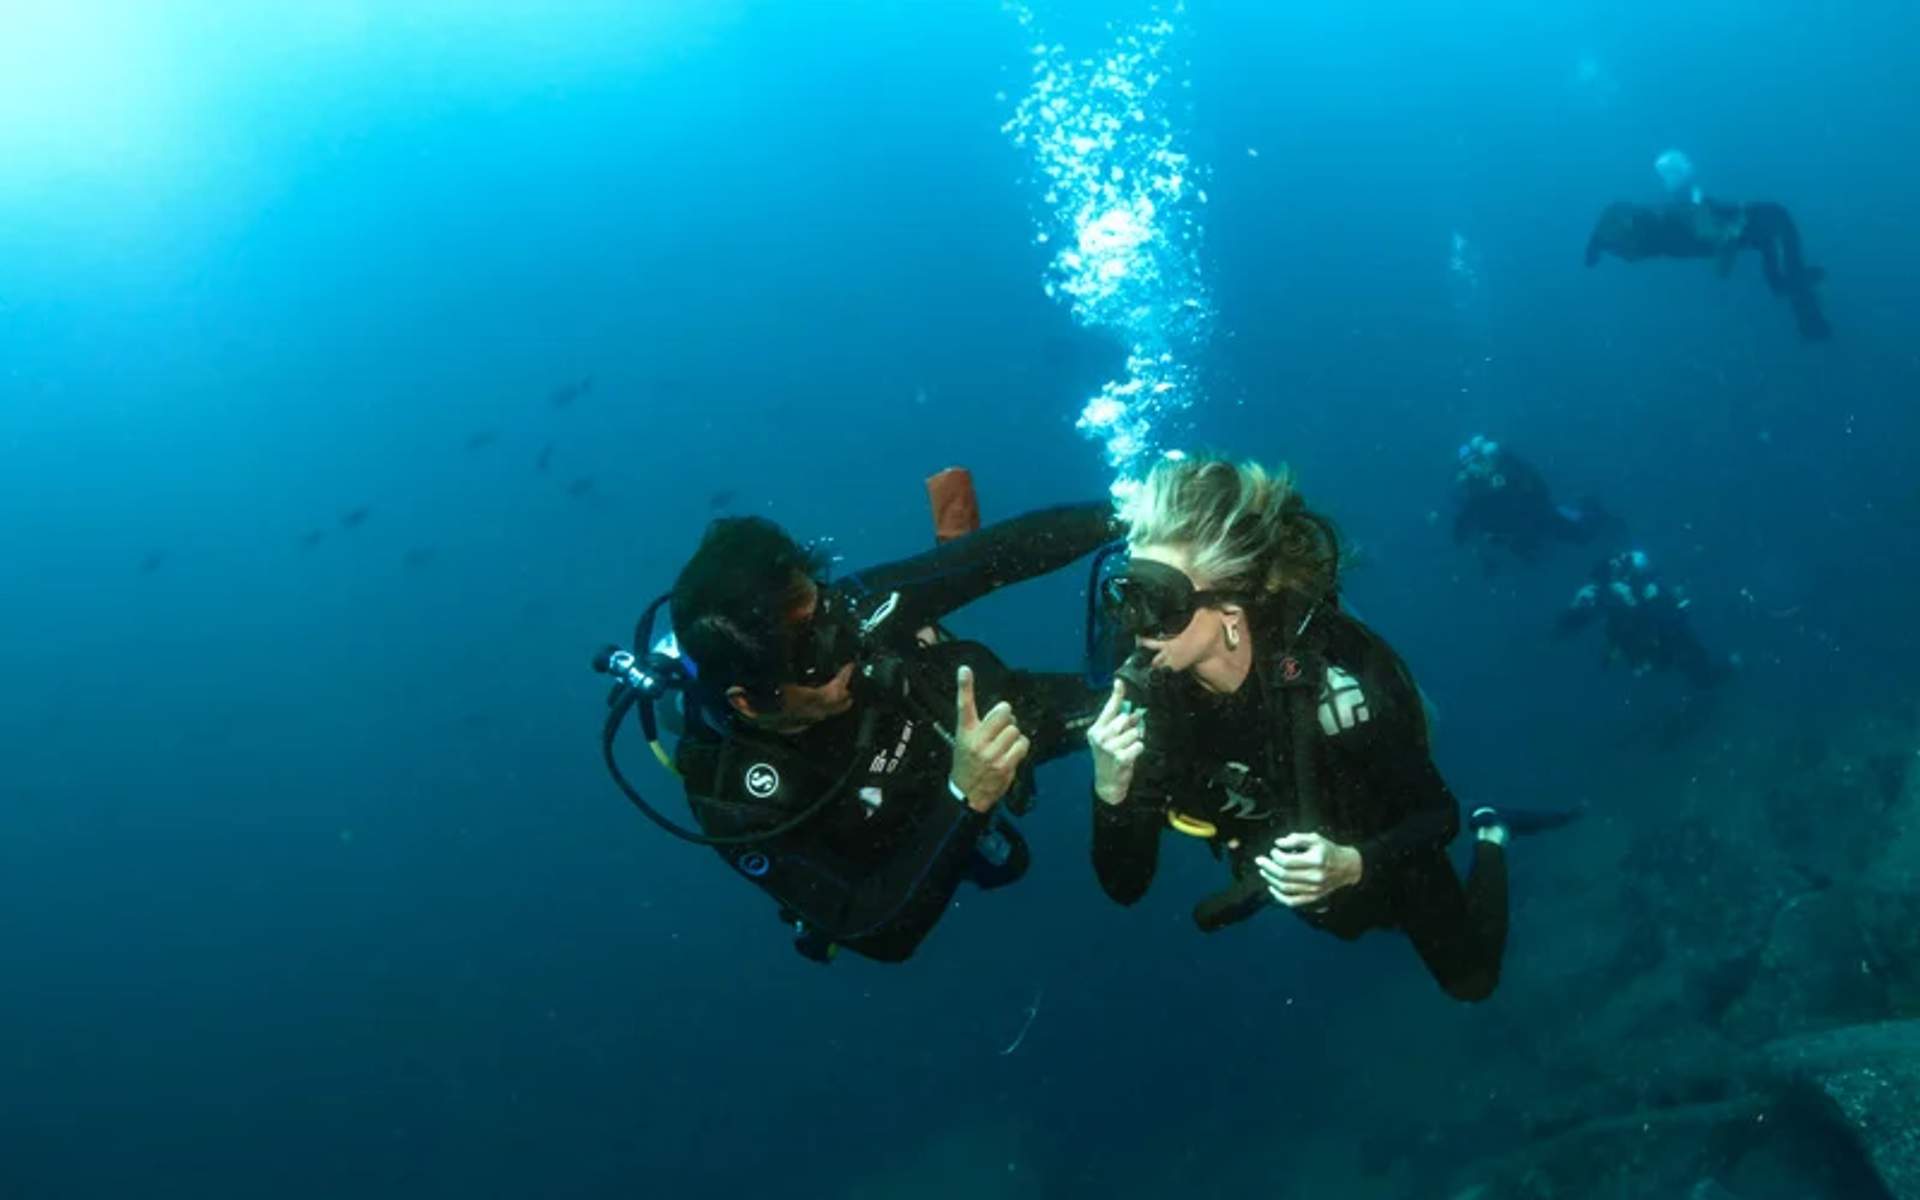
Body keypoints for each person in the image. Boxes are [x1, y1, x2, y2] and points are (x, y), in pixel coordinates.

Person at [1084, 453, 1571, 1002]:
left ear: (1230, 609)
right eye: (1128, 595)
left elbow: (1436, 814)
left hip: (1388, 841)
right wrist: (1111, 789)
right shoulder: (1153, 705)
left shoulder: (1336, 671)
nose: (1136, 627)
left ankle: (1496, 831)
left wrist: (1356, 863)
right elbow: (1124, 885)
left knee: (1472, 980)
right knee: (1354, 922)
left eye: (1161, 601)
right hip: (1298, 869)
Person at [667, 497, 1115, 964]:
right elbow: (875, 930)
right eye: (813, 656)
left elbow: (986, 557)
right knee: (1000, 863)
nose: (844, 649)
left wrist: (1123, 514)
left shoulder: (845, 610)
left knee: (1142, 702)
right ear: (750, 701)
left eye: (826, 612)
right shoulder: (735, 800)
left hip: (961, 727)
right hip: (908, 830)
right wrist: (965, 799)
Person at [1583, 156, 1831, 341]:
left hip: (1735, 225)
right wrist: (1729, 233)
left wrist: (1728, 232)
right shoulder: (1667, 222)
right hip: (1737, 225)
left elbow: (1715, 247)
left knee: (1770, 234)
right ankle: (1793, 297)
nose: (1627, 256)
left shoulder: (1665, 224)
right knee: (1772, 229)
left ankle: (1792, 295)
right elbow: (1717, 254)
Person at [1555, 549, 1732, 690]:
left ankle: (1706, 677)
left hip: (1654, 635)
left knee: (1684, 657)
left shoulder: (1614, 589)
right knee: (1686, 656)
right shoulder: (1613, 589)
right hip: (1654, 634)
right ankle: (1709, 677)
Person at [1451, 434, 1617, 568]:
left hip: (1540, 517)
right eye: (1468, 465)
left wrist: (1508, 483)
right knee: (1532, 557)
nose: (1474, 468)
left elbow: (1538, 489)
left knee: (1581, 536)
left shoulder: (1508, 468)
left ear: (1486, 459)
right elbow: (1469, 515)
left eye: (1477, 461)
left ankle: (1594, 512)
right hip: (1517, 531)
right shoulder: (1472, 489)